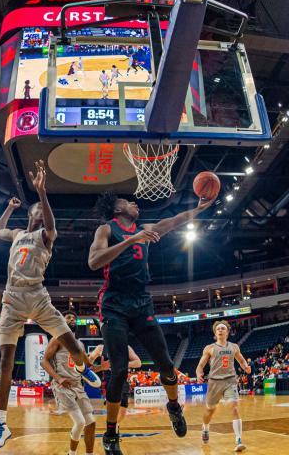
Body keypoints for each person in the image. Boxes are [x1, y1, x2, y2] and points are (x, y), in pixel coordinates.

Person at [88, 191, 213, 454]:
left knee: (167, 365)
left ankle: (174, 407)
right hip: (113, 303)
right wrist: (130, 240)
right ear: (116, 208)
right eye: (127, 201)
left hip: (141, 301)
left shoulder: (146, 228)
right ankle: (111, 434)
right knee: (119, 370)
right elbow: (94, 261)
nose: (134, 203)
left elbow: (175, 221)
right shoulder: (106, 229)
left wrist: (200, 208)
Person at [0, 160, 100, 450]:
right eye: (38, 208)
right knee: (6, 362)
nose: (42, 212)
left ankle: (82, 368)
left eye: (43, 209)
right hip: (11, 298)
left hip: (37, 296)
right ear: (30, 214)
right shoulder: (17, 234)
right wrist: (10, 208)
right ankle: (1, 424)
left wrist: (42, 193)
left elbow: (51, 225)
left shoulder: (45, 236)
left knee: (74, 346)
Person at [41, 312, 99, 455]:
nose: (72, 319)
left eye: (74, 318)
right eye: (68, 317)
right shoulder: (57, 339)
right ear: (63, 321)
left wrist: (100, 361)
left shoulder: (79, 344)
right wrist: (58, 378)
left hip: (78, 385)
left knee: (91, 422)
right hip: (62, 385)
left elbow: (88, 365)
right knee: (80, 422)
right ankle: (71, 453)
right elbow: (44, 361)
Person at [195, 320, 251, 452]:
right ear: (215, 332)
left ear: (227, 332)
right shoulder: (209, 348)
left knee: (234, 406)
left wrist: (245, 367)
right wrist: (198, 374)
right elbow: (200, 365)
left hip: (230, 380)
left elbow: (241, 360)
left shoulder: (234, 347)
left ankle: (238, 440)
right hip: (214, 382)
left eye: (223, 328)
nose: (220, 330)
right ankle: (205, 427)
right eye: (218, 329)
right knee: (210, 410)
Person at [88, 342, 141, 429]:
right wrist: (94, 366)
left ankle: (114, 425)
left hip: (123, 381)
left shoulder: (126, 347)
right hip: (109, 382)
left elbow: (138, 363)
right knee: (112, 410)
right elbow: (90, 364)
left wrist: (121, 365)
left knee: (122, 412)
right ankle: (111, 429)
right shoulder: (101, 348)